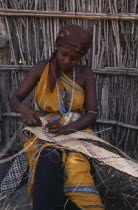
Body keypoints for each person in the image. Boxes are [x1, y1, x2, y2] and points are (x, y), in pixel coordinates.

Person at [9, 24, 104, 209]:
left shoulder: (85, 74)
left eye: (74, 58)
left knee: (75, 166)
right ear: (57, 47)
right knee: (48, 156)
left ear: (82, 57)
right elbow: (14, 99)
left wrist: (66, 129)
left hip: (75, 131)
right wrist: (23, 109)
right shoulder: (41, 68)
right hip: (45, 129)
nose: (67, 60)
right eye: (63, 54)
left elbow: (92, 113)